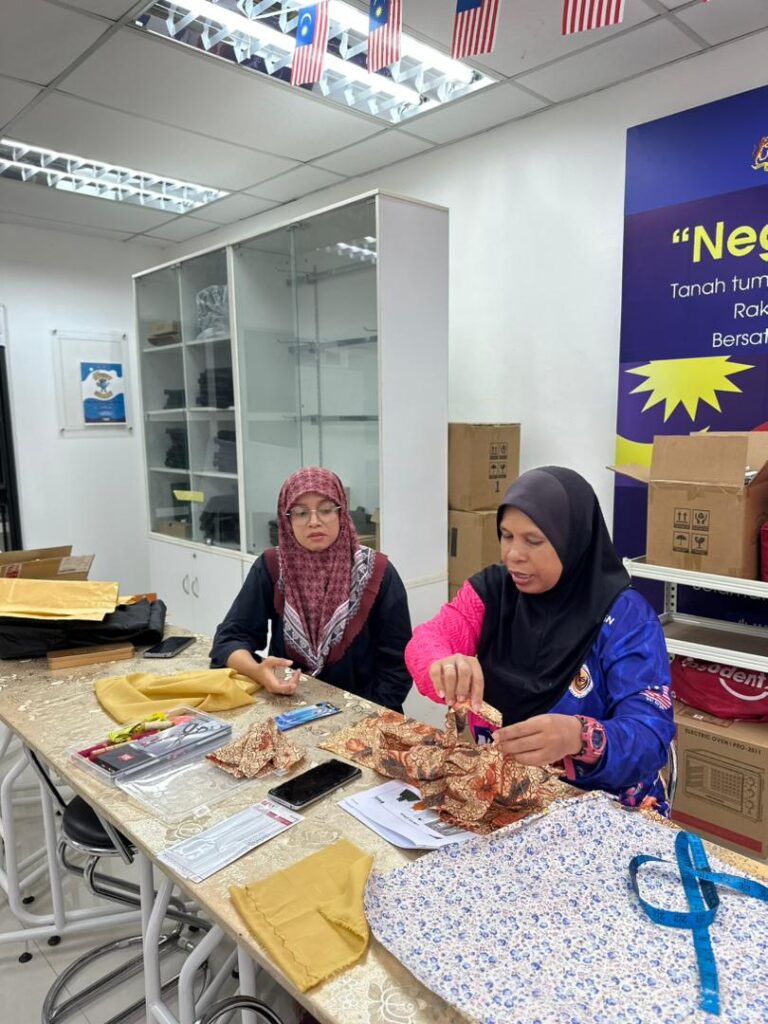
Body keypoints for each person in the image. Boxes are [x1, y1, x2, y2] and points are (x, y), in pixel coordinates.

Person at [405, 466, 675, 813]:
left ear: (573, 541)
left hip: (600, 805)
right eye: (506, 536)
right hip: (504, 794)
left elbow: (650, 736)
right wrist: (442, 664)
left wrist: (578, 737)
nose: (513, 554)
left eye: (533, 541)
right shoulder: (493, 592)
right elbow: (428, 639)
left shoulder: (625, 617)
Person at [210, 467, 412, 711]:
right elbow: (231, 638)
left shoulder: (377, 571)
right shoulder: (273, 566)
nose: (314, 522)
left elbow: (397, 665)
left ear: (341, 513)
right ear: (287, 519)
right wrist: (257, 671)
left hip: (366, 710)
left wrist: (360, 716)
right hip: (288, 705)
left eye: (326, 510)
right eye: (301, 512)